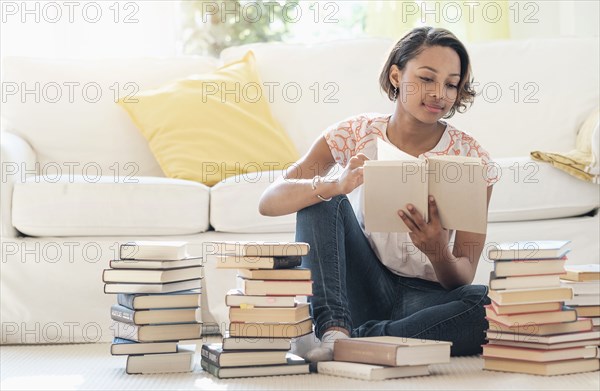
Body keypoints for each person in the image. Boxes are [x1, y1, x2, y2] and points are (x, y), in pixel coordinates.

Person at [259, 26, 498, 362]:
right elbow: (269, 200)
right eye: (427, 79)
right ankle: (335, 329)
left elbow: (463, 273)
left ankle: (354, 341)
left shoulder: (472, 158)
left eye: (451, 84)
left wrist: (437, 251)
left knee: (485, 305)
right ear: (396, 75)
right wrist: (333, 185)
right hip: (360, 288)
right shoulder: (355, 132)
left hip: (425, 300)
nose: (439, 94)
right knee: (320, 201)